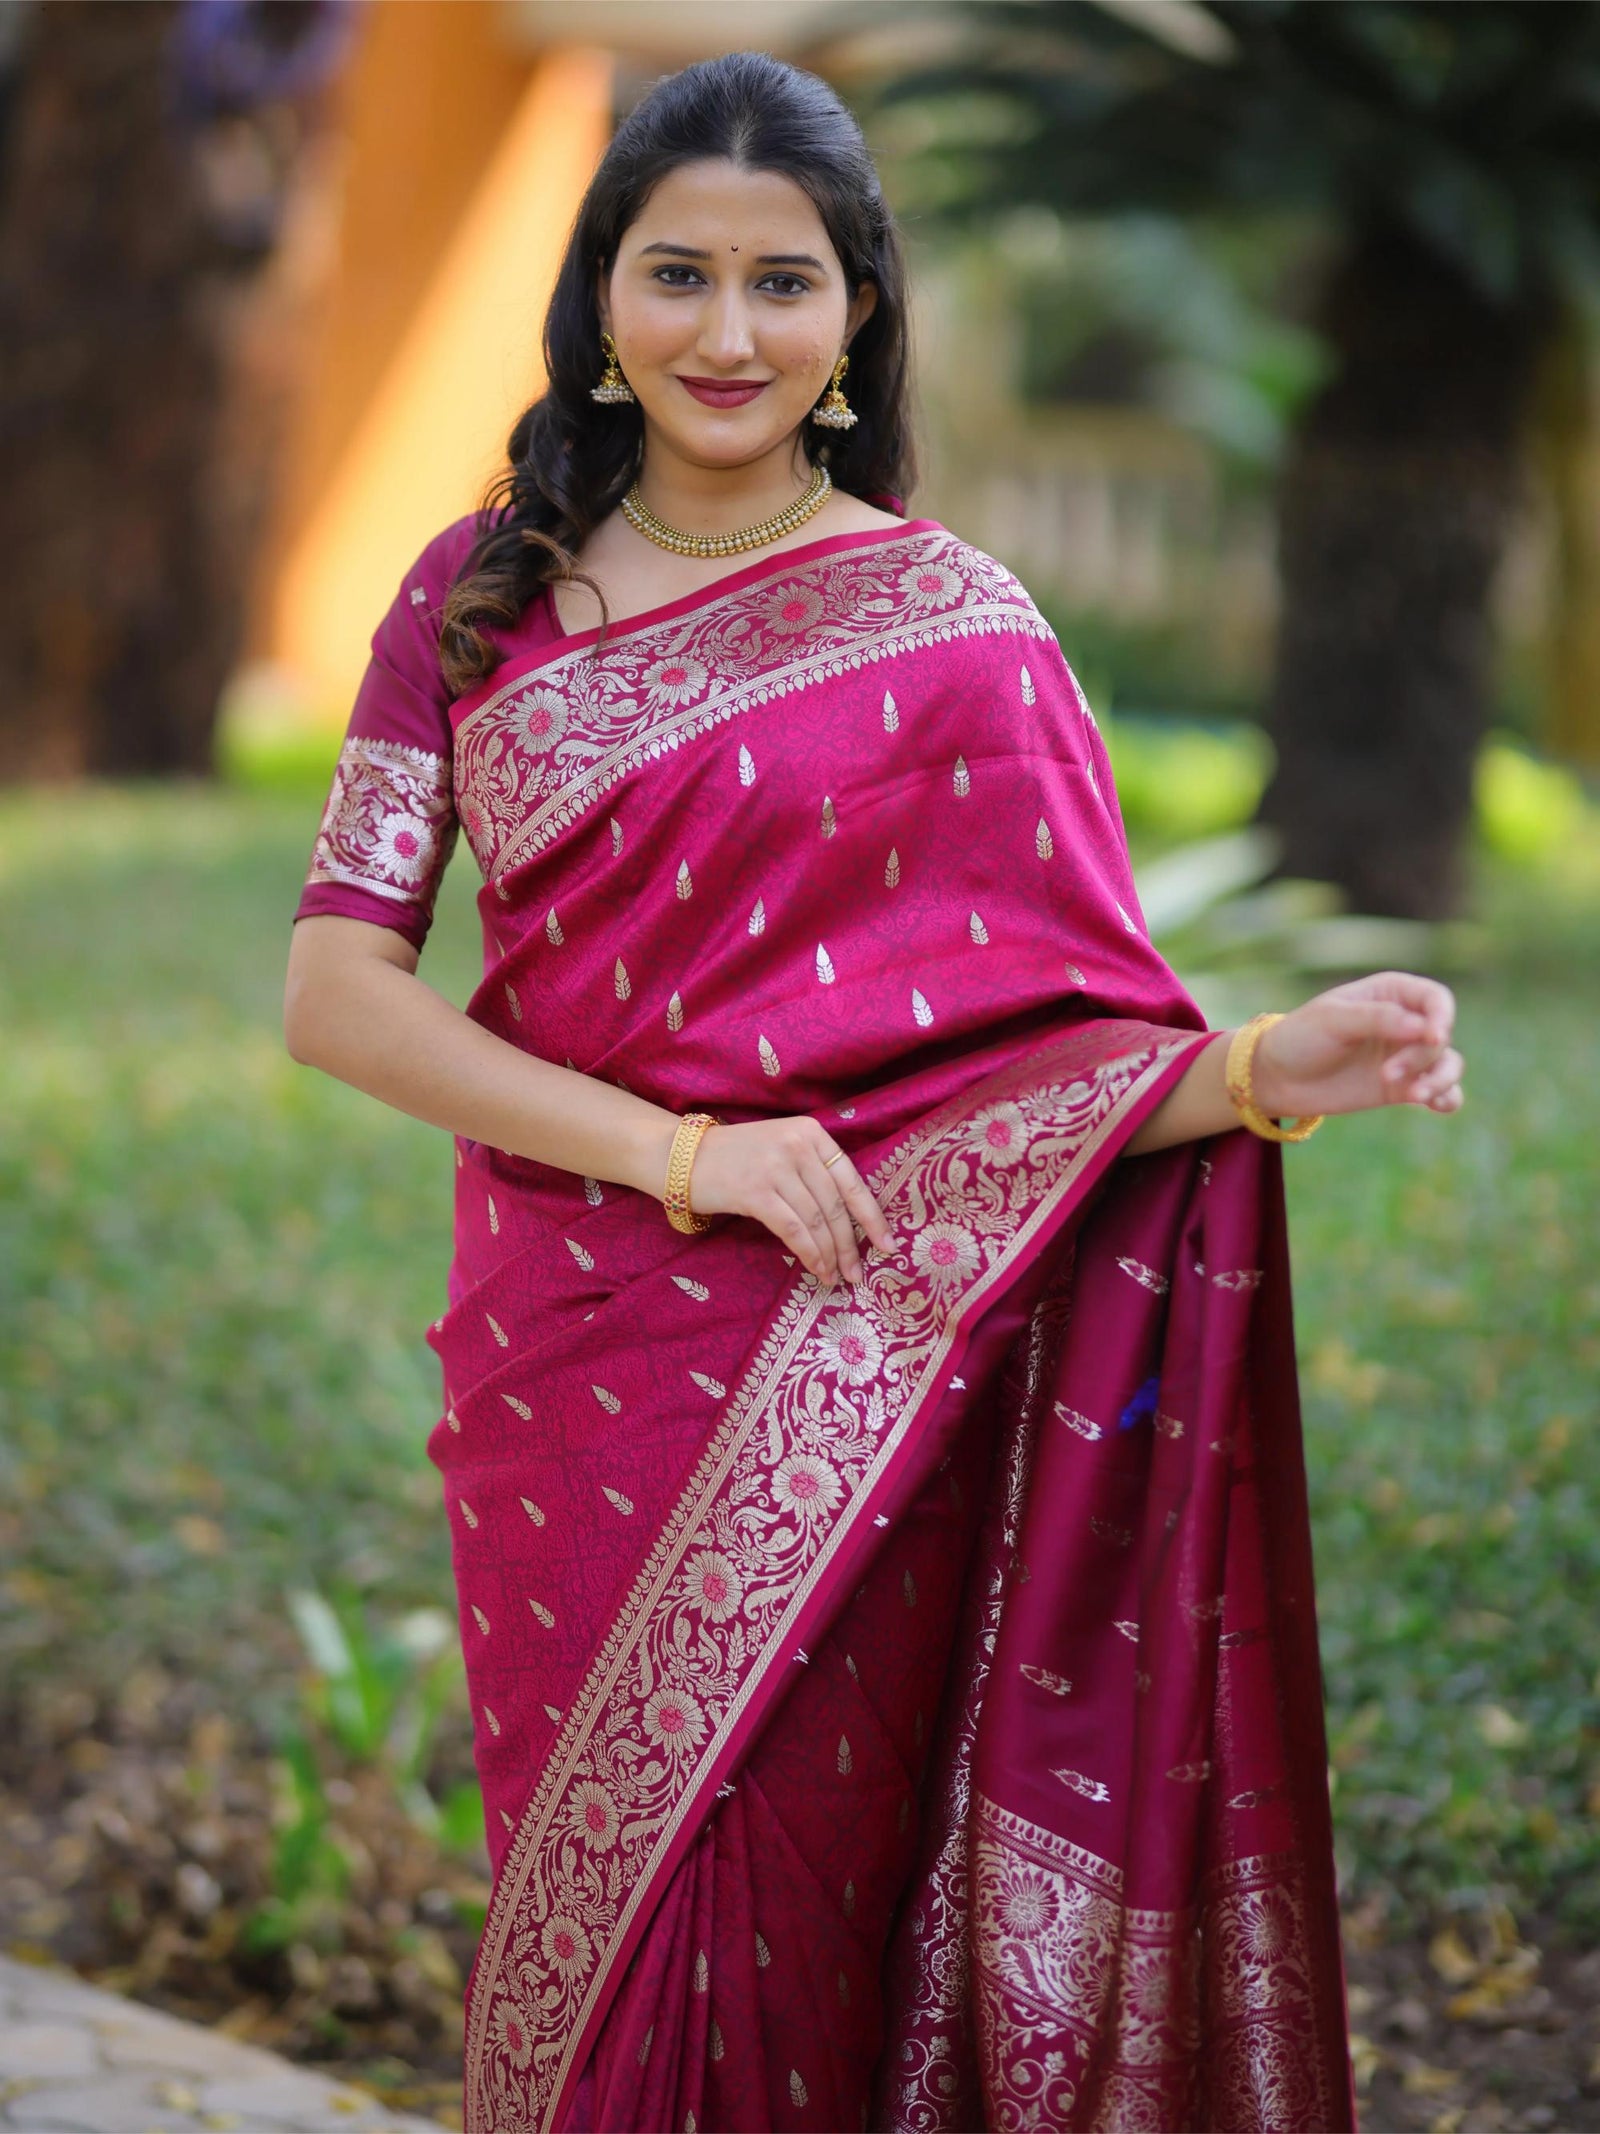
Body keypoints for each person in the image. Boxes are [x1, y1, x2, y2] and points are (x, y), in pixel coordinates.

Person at [284, 50, 1462, 2134]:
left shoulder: (955, 633)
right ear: (599, 299)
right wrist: (678, 1151)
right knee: (602, 1909)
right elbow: (338, 999)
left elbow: (1052, 1050)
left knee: (800, 1895)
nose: (724, 334)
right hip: (574, 1355)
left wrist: (1276, 1067)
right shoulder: (474, 600)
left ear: (853, 319)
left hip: (854, 1358)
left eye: (781, 282)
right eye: (675, 275)